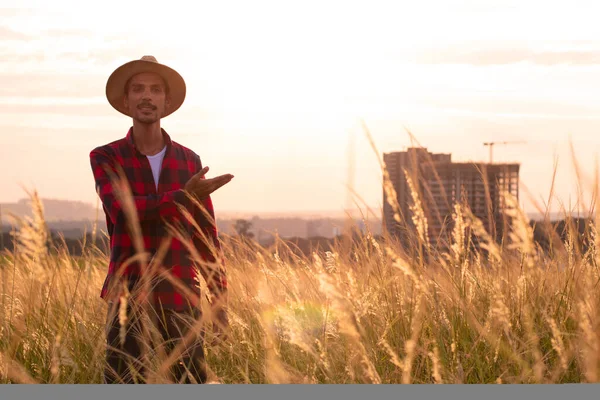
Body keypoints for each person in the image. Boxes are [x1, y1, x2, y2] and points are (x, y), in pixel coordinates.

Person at [89, 55, 233, 384]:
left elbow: (205, 237)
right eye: (138, 89)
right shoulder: (106, 156)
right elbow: (122, 210)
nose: (146, 96)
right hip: (128, 296)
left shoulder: (189, 160)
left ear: (166, 102)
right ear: (126, 101)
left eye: (155, 90)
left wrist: (220, 298)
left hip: (181, 293)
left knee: (191, 384)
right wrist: (181, 197)